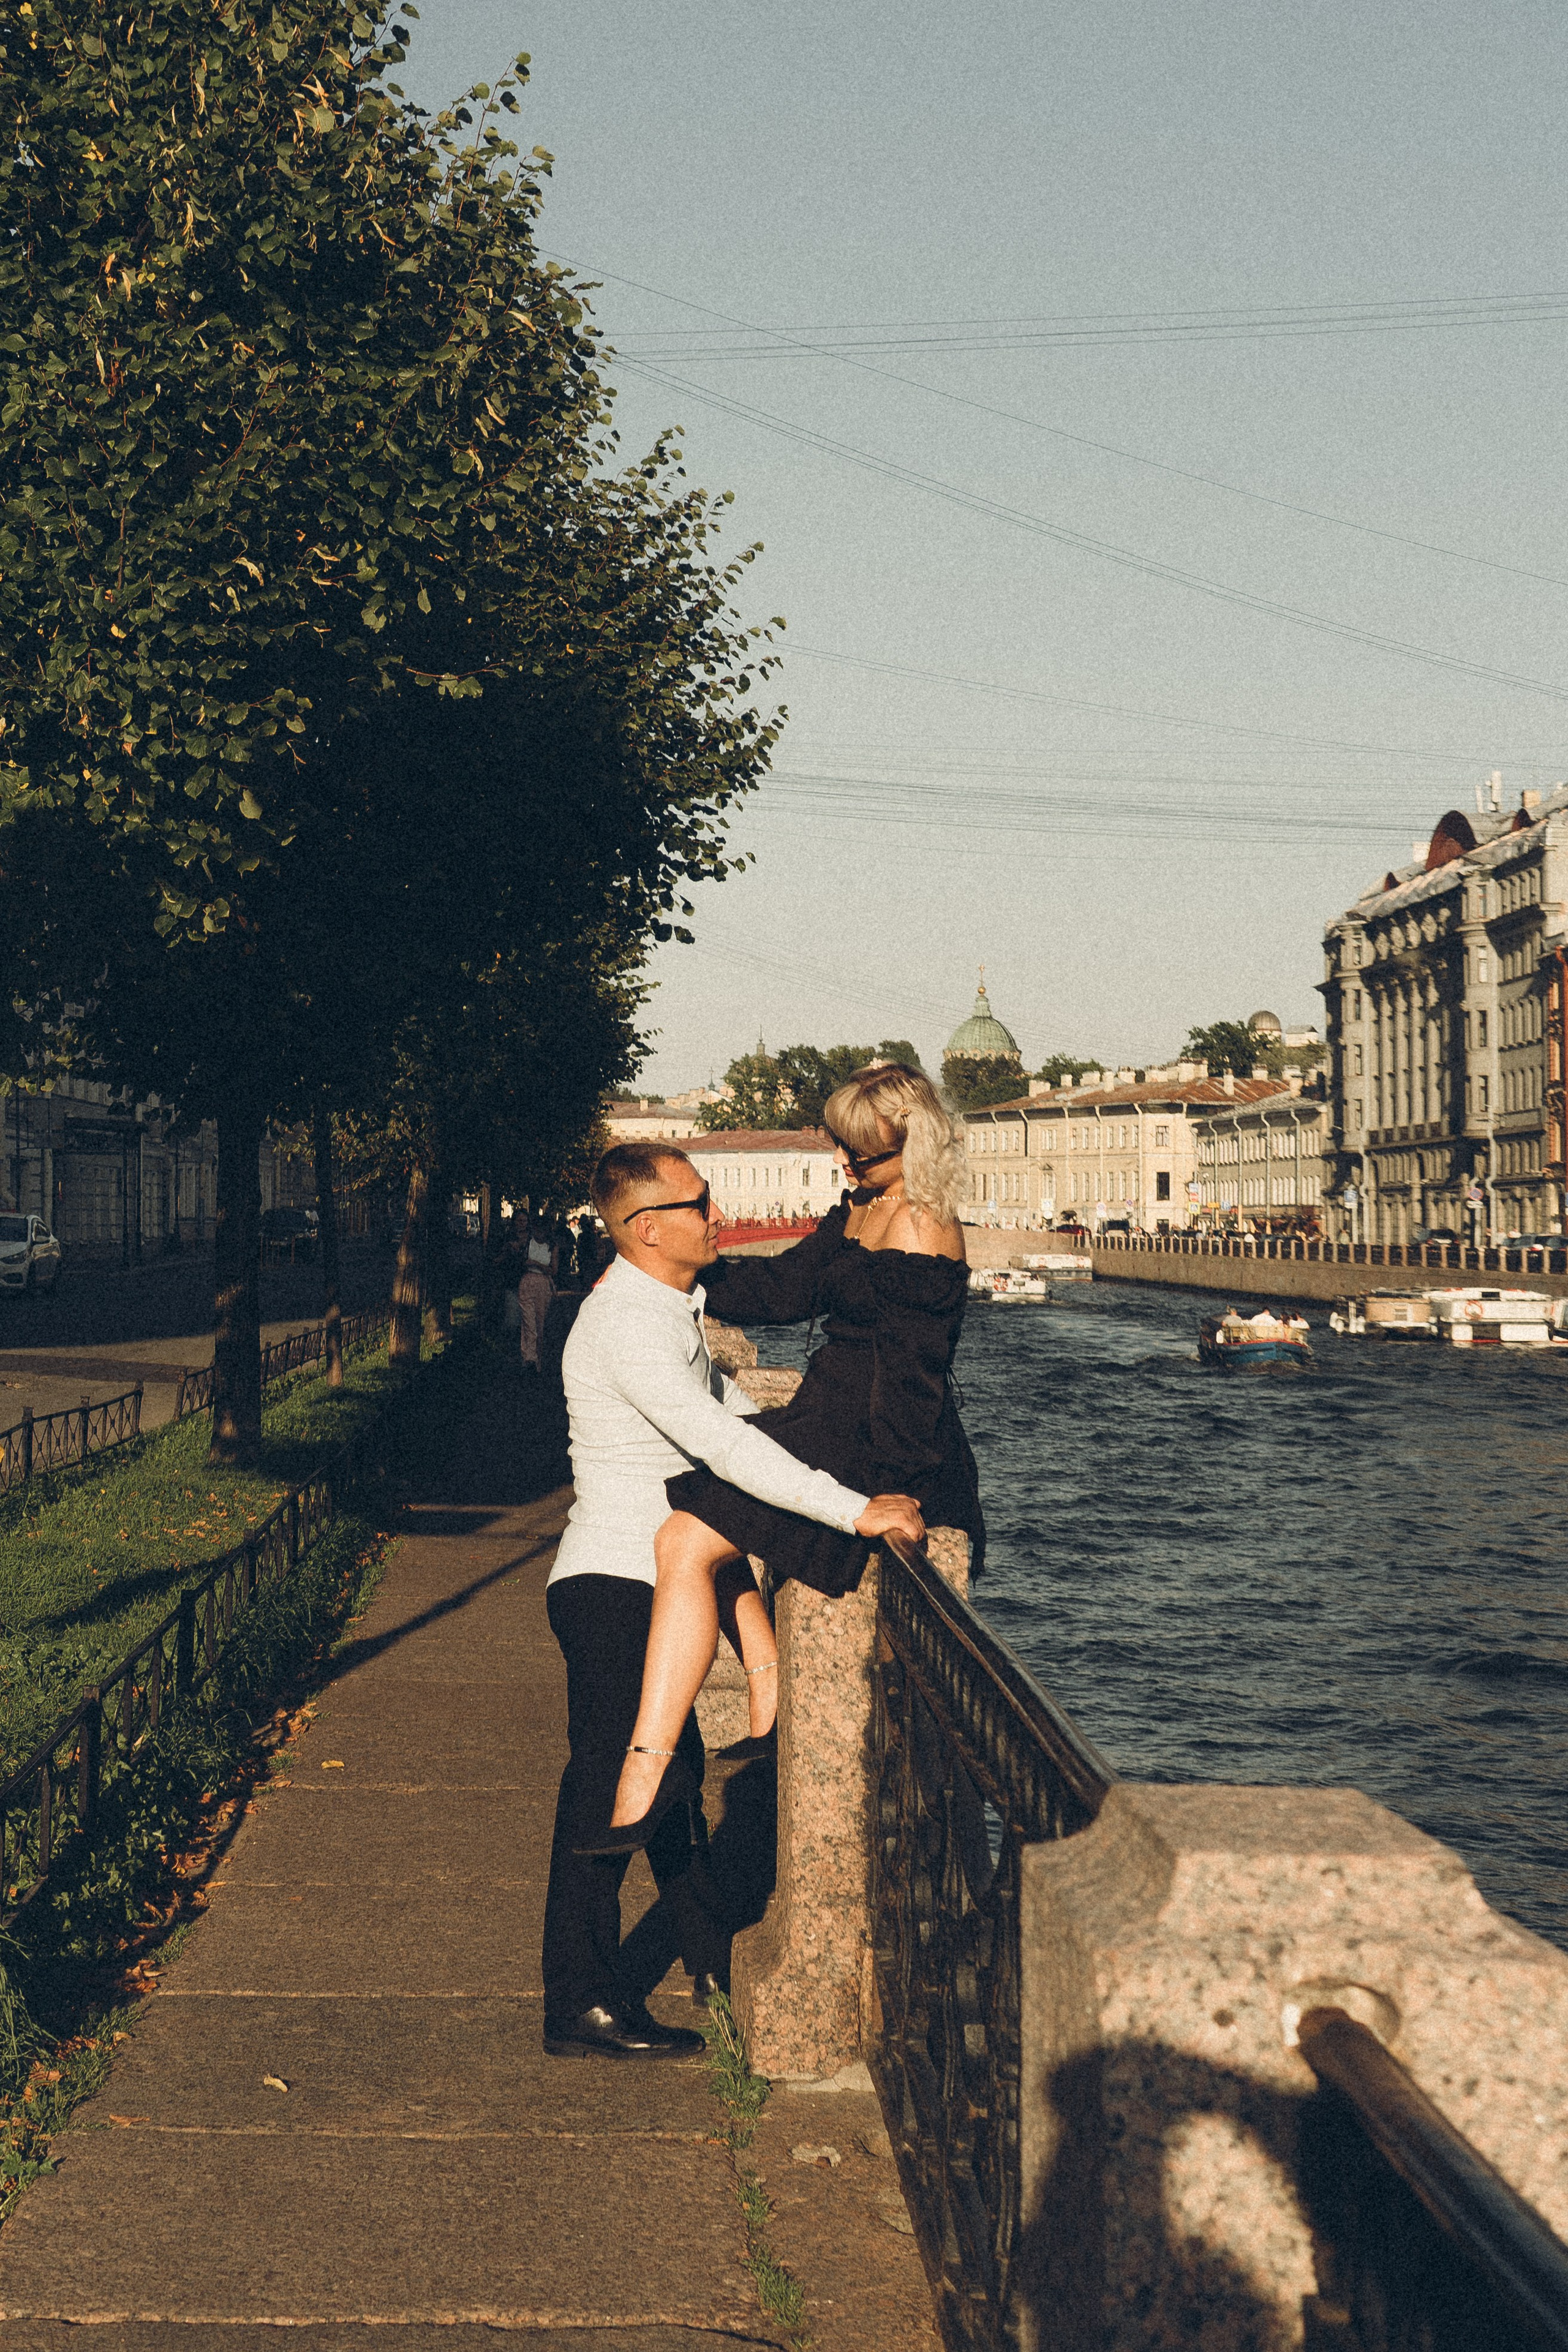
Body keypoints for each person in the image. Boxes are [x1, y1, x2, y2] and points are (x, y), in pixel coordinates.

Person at [541, 1138, 925, 2059]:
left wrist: (849, 1445)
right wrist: (851, 1510)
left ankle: (709, 1957)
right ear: (644, 1229)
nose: (717, 1216)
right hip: (616, 1581)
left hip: (643, 1575)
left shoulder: (668, 1306)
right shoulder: (630, 1325)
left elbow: (750, 1420)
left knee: (668, 1790)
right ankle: (579, 2002)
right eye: (699, 1203)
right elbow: (725, 1449)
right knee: (612, 1787)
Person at [583, 1062, 984, 1849]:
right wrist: (666, 1272)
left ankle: (647, 1773)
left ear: (917, 1142)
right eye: (842, 1148)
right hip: (825, 1415)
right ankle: (739, 1718)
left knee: (688, 1537)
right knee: (691, 1523)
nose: (846, 1165)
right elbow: (782, 1292)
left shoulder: (924, 1227)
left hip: (877, 1441)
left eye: (862, 1155)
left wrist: (886, 1498)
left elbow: (912, 1380)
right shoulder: (864, 1206)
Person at [516, 1211, 558, 1373]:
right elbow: (520, 1261)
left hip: (543, 1284)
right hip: (527, 1282)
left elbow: (553, 1270)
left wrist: (536, 1264)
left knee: (539, 1323)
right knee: (528, 1322)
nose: (538, 1233)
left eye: (541, 1230)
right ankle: (529, 1358)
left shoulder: (552, 1247)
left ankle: (536, 1359)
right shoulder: (528, 1242)